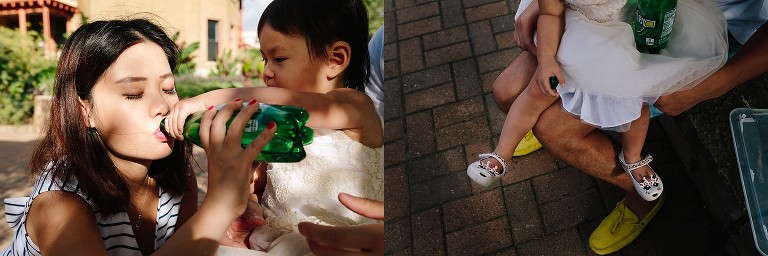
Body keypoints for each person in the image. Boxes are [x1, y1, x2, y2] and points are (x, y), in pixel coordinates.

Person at [492, 0, 767, 254]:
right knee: (506, 92)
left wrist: (715, 85)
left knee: (554, 130)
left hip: (699, 28)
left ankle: (642, 197)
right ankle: (542, 113)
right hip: (598, 17)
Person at [2, 18, 277, 255]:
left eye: (168, 89)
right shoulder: (60, 205)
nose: (163, 106)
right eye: (134, 94)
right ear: (84, 111)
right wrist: (217, 207)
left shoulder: (177, 177)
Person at [165, 0, 384, 254]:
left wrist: (207, 99)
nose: (266, 72)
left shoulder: (354, 106)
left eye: (279, 59)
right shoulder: (279, 131)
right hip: (273, 240)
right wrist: (249, 202)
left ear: (335, 59)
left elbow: (291, 102)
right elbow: (259, 189)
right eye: (264, 59)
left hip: (337, 245)